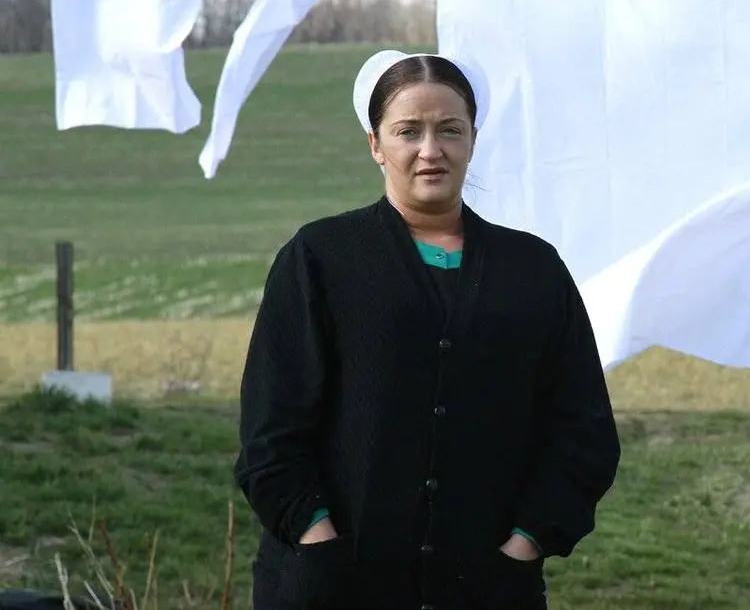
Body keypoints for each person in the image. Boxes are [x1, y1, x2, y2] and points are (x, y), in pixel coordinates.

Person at [233, 49, 622, 610]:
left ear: (473, 139)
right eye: (408, 131)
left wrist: (525, 544)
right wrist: (318, 541)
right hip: (330, 587)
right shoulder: (321, 258)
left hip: (487, 591)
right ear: (375, 144)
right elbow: (271, 428)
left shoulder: (533, 270)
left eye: (450, 130)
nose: (430, 149)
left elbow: (582, 431)